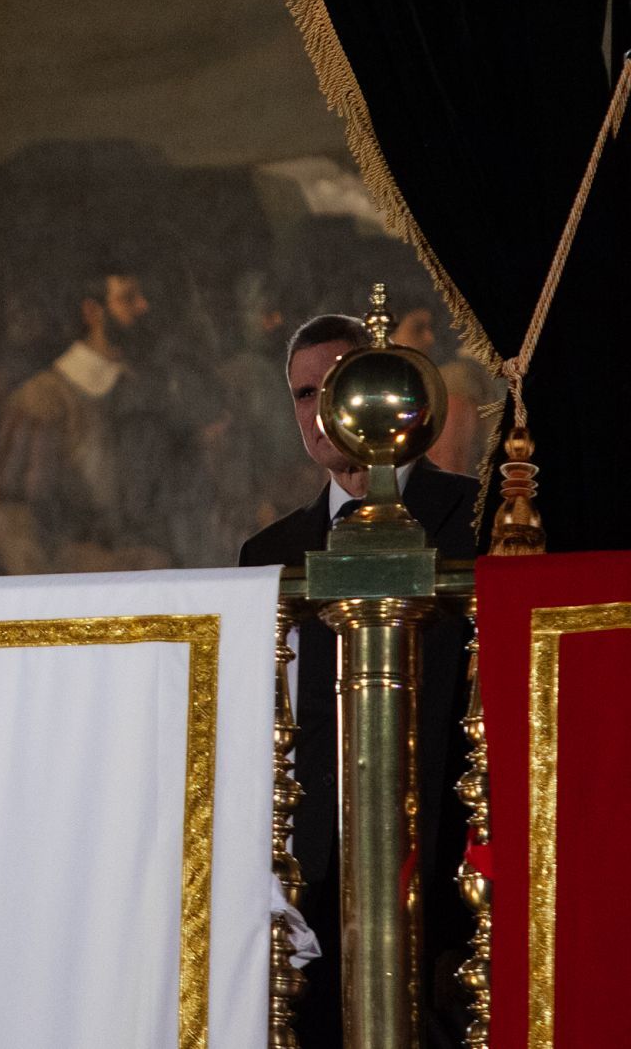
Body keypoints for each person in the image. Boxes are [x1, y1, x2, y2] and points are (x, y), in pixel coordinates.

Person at [239, 313, 477, 1047]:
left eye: (334, 385)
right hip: (314, 886)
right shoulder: (269, 552)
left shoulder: (473, 516)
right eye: (303, 394)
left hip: (451, 869)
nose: (319, 410)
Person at [0, 272, 169, 574]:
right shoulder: (42, 399)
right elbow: (15, 520)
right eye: (128, 298)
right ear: (92, 312)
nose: (143, 306)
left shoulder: (142, 391)